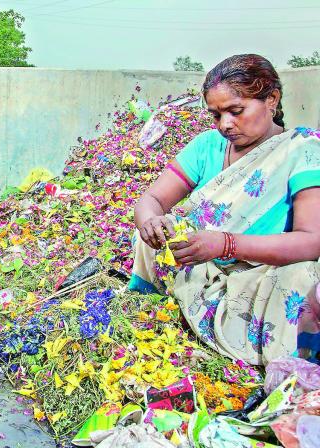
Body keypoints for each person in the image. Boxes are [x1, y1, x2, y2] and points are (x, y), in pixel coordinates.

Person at [129, 54, 320, 366]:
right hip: (198, 266)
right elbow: (151, 199)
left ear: (272, 99)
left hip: (259, 276)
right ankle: (161, 313)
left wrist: (226, 244)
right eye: (216, 115)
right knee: (153, 237)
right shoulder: (207, 147)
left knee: (302, 277)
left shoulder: (302, 151)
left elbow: (312, 241)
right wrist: (151, 221)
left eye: (236, 111)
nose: (225, 125)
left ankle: (279, 365)